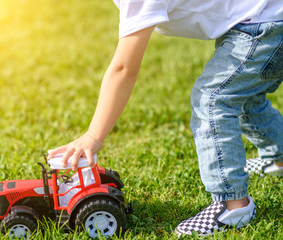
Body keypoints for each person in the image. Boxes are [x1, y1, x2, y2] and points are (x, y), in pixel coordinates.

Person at [48, 0, 283, 237]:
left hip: (264, 26)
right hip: (267, 19)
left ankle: (233, 207)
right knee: (245, 98)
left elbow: (123, 69)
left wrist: (93, 136)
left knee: (212, 99)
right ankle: (280, 159)